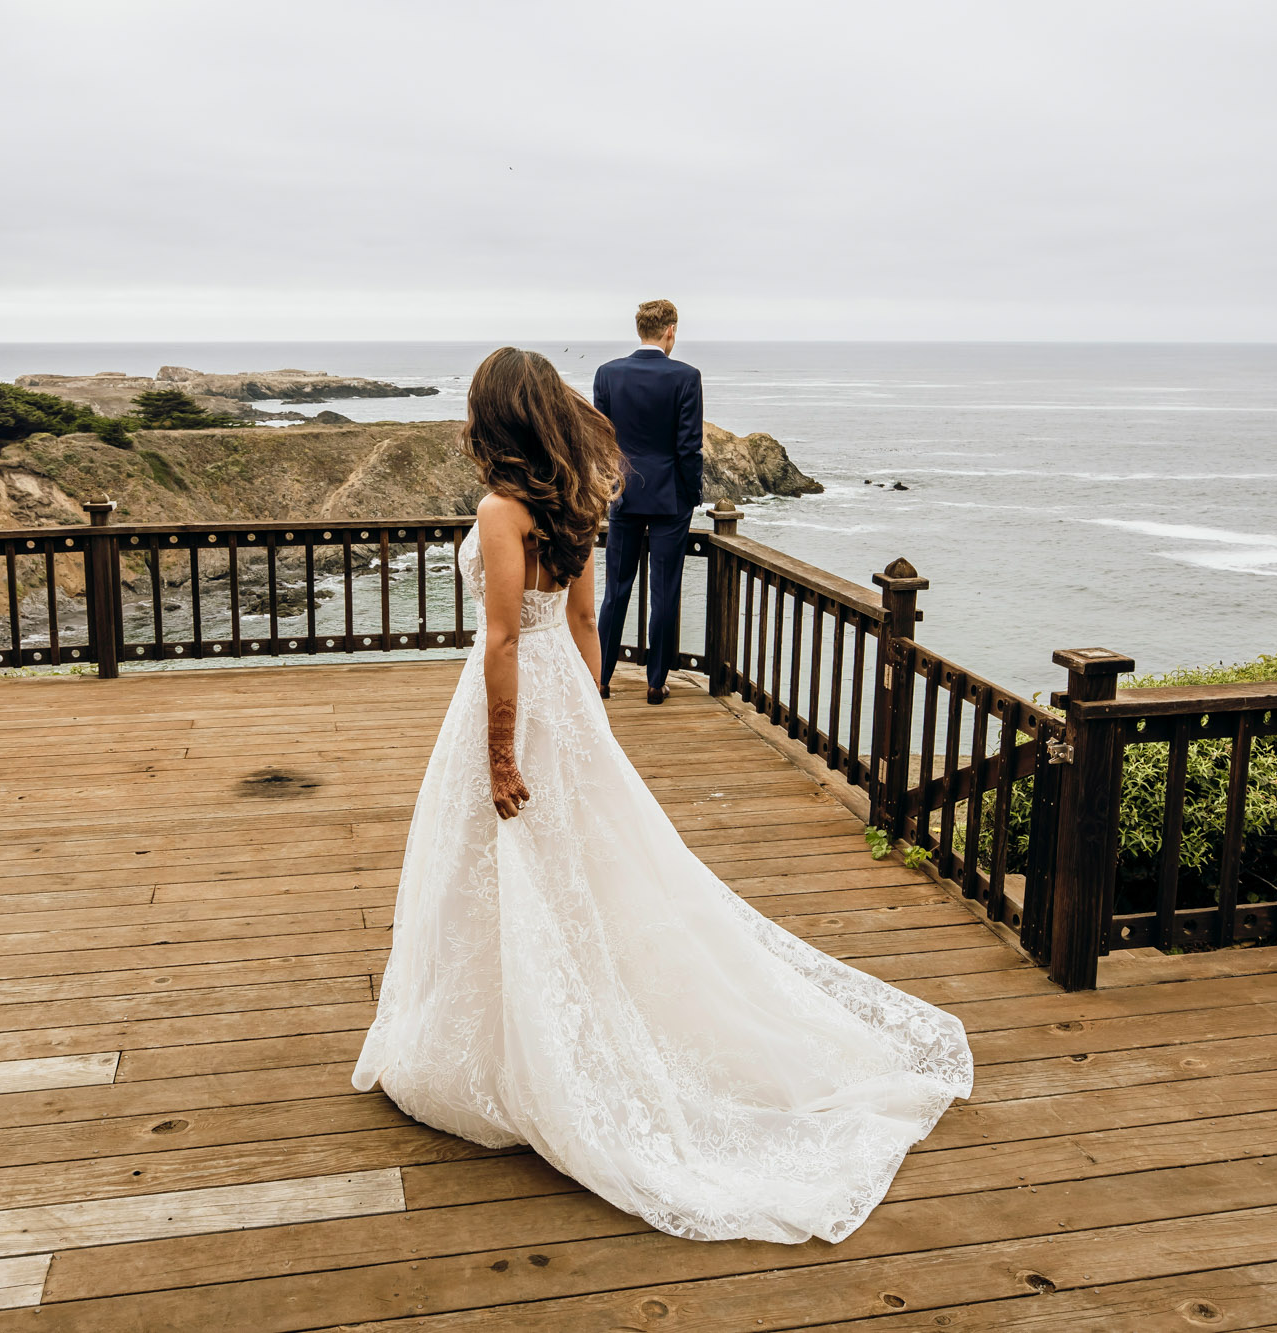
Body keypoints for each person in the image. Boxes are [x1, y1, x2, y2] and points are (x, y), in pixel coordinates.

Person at [350, 347, 973, 1245]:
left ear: (493, 419)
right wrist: (588, 721)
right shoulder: (567, 502)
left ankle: (520, 1052)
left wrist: (500, 755)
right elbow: (576, 620)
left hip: (517, 702)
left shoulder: (499, 508)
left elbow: (499, 640)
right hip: (564, 692)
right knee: (576, 870)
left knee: (506, 859)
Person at [593, 298, 702, 704]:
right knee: (664, 591)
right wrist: (691, 496)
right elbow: (688, 447)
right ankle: (656, 683)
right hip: (670, 500)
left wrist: (610, 485)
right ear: (670, 331)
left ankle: (601, 678)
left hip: (623, 494)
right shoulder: (686, 377)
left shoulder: (608, 374)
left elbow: (601, 439)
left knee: (616, 590)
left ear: (639, 329)